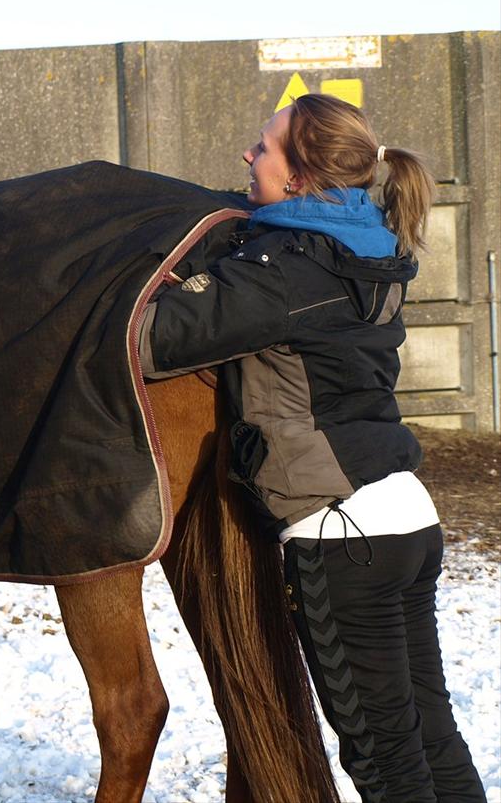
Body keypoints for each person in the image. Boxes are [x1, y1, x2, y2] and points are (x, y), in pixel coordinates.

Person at [138, 93, 486, 802]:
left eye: (263, 147)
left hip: (342, 538)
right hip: (406, 521)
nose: (248, 155)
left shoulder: (287, 271)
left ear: (298, 177)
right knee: (426, 734)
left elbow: (150, 340)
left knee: (385, 760)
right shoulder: (369, 247)